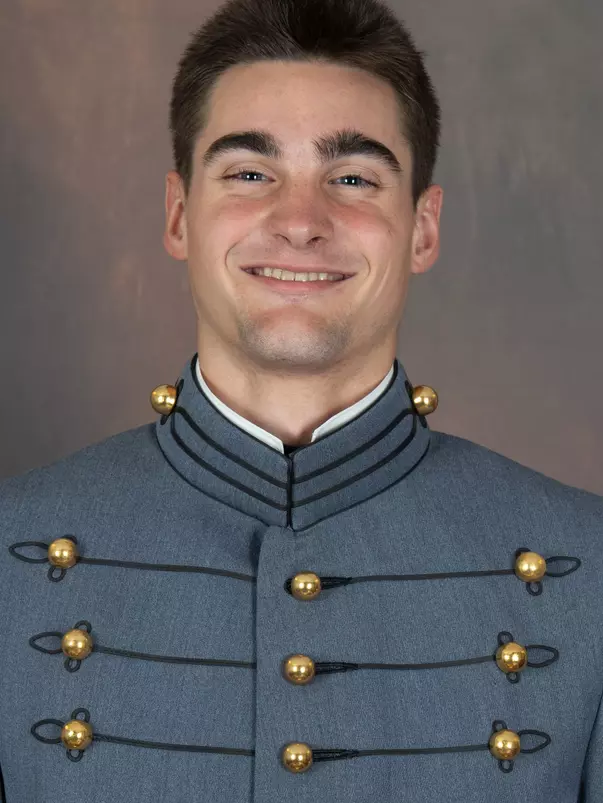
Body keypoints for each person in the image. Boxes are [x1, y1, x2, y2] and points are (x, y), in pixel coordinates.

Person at [0, 0, 601, 799]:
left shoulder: (587, 567)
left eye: (351, 177)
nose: (299, 221)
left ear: (422, 229)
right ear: (180, 215)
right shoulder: (12, 553)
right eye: (250, 172)